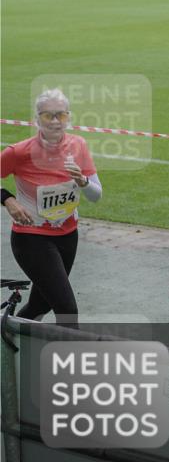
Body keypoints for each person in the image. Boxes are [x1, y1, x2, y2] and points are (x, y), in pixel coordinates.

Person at [1, 88, 102, 327]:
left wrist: (83, 182)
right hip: (31, 238)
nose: (56, 122)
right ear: (37, 119)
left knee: (40, 304)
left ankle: (6, 345)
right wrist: (8, 199)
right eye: (48, 116)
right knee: (67, 309)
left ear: (69, 117)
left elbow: (96, 195)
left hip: (68, 236)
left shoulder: (79, 145)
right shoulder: (19, 152)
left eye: (61, 115)